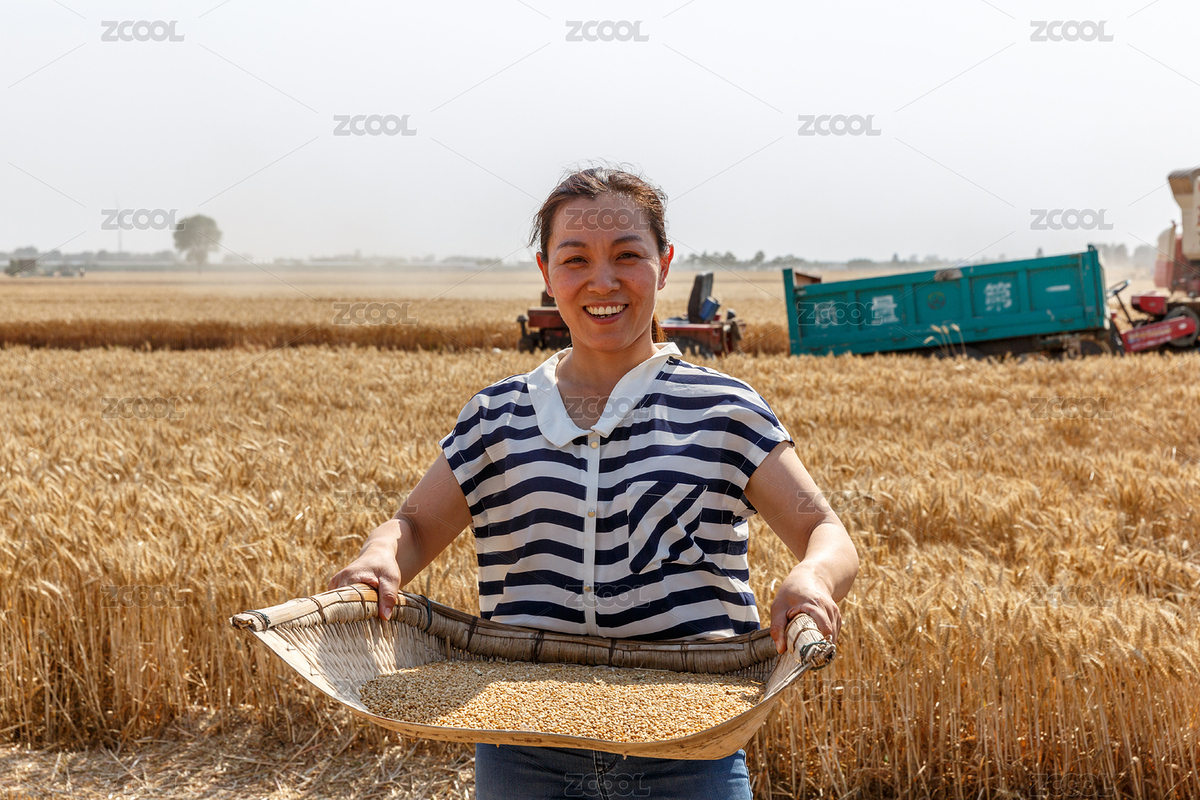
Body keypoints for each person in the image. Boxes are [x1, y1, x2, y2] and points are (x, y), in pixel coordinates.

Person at [329, 165, 859, 799]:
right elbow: (415, 527)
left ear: (664, 264)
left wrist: (813, 576)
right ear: (545, 271)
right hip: (523, 750)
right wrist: (380, 555)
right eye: (575, 259)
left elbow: (825, 530)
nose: (602, 281)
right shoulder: (496, 416)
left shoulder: (725, 409)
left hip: (691, 748)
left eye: (627, 256)